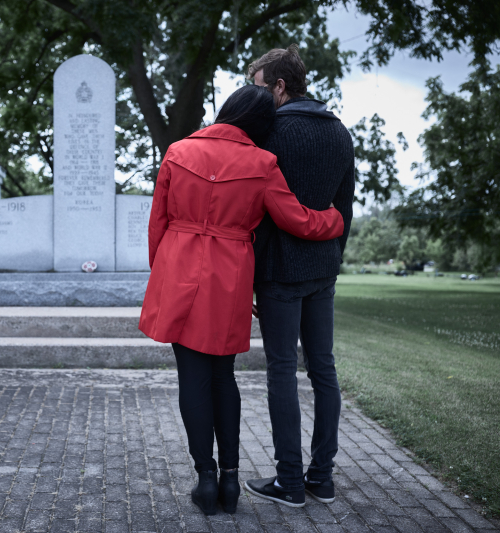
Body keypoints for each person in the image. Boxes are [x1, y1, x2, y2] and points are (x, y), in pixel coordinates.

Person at [138, 84, 345, 516]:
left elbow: (158, 223)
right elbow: (297, 220)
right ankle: (231, 480)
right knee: (223, 377)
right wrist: (334, 218)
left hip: (178, 267)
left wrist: (163, 274)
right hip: (229, 276)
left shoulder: (177, 151)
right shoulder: (263, 162)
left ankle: (206, 479)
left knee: (191, 377)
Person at [244, 45, 355, 508]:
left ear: (279, 86)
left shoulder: (269, 132)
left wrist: (251, 274)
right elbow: (344, 208)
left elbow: (255, 209)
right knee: (324, 370)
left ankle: (289, 482)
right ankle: (321, 479)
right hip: (322, 267)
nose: (254, 96)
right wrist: (331, 255)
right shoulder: (340, 132)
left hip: (279, 271)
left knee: (283, 372)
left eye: (257, 86)